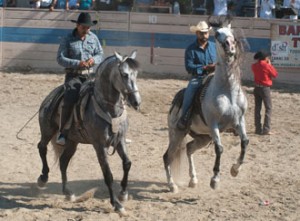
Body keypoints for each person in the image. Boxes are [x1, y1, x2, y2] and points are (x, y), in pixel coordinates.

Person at [56, 12, 104, 145]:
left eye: (88, 28)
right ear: (77, 25)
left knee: (106, 94)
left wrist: (93, 59)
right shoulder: (67, 39)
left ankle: (112, 130)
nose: (86, 30)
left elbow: (100, 53)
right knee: (70, 96)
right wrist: (77, 63)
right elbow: (60, 58)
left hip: (90, 75)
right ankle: (63, 133)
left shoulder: (93, 38)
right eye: (84, 27)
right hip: (74, 75)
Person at [177, 21, 217, 130]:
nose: (204, 35)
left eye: (206, 33)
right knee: (189, 93)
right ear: (197, 34)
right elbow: (189, 67)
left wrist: (217, 65)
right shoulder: (191, 49)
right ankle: (184, 118)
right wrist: (204, 68)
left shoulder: (214, 46)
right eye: (202, 33)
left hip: (215, 76)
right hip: (199, 77)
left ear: (208, 34)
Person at [251, 51, 278, 135]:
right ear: (265, 58)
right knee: (268, 108)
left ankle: (258, 129)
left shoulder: (254, 66)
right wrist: (269, 65)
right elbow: (275, 74)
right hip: (265, 88)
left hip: (256, 87)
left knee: (257, 108)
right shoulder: (266, 65)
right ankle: (266, 129)